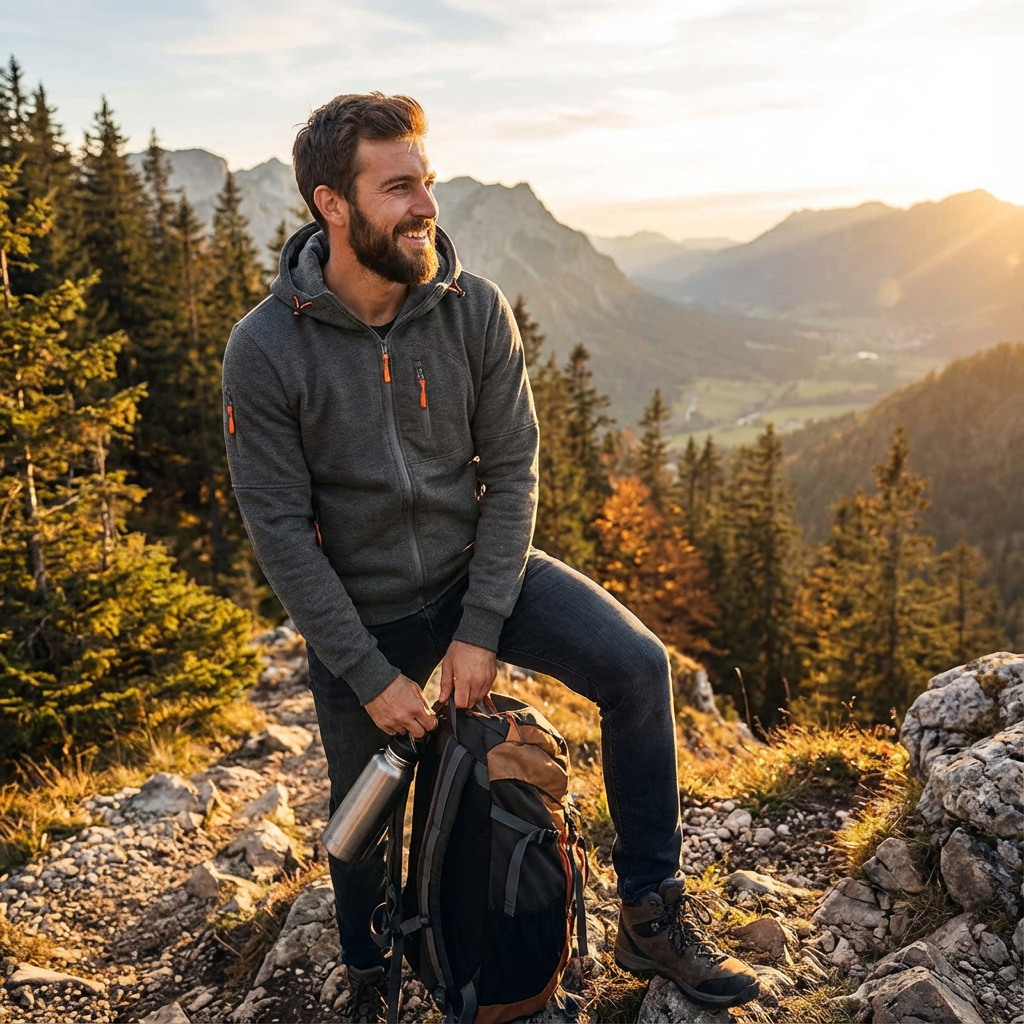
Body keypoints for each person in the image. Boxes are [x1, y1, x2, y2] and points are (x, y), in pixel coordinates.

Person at [221, 92, 759, 1011]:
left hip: (480, 574)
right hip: (365, 612)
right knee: (361, 834)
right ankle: (369, 977)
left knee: (636, 666)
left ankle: (649, 915)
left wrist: (480, 629)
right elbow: (277, 529)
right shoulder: (266, 349)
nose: (426, 204)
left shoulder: (474, 310)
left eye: (425, 180)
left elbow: (514, 472)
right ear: (333, 205)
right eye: (398, 187)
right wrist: (369, 674)